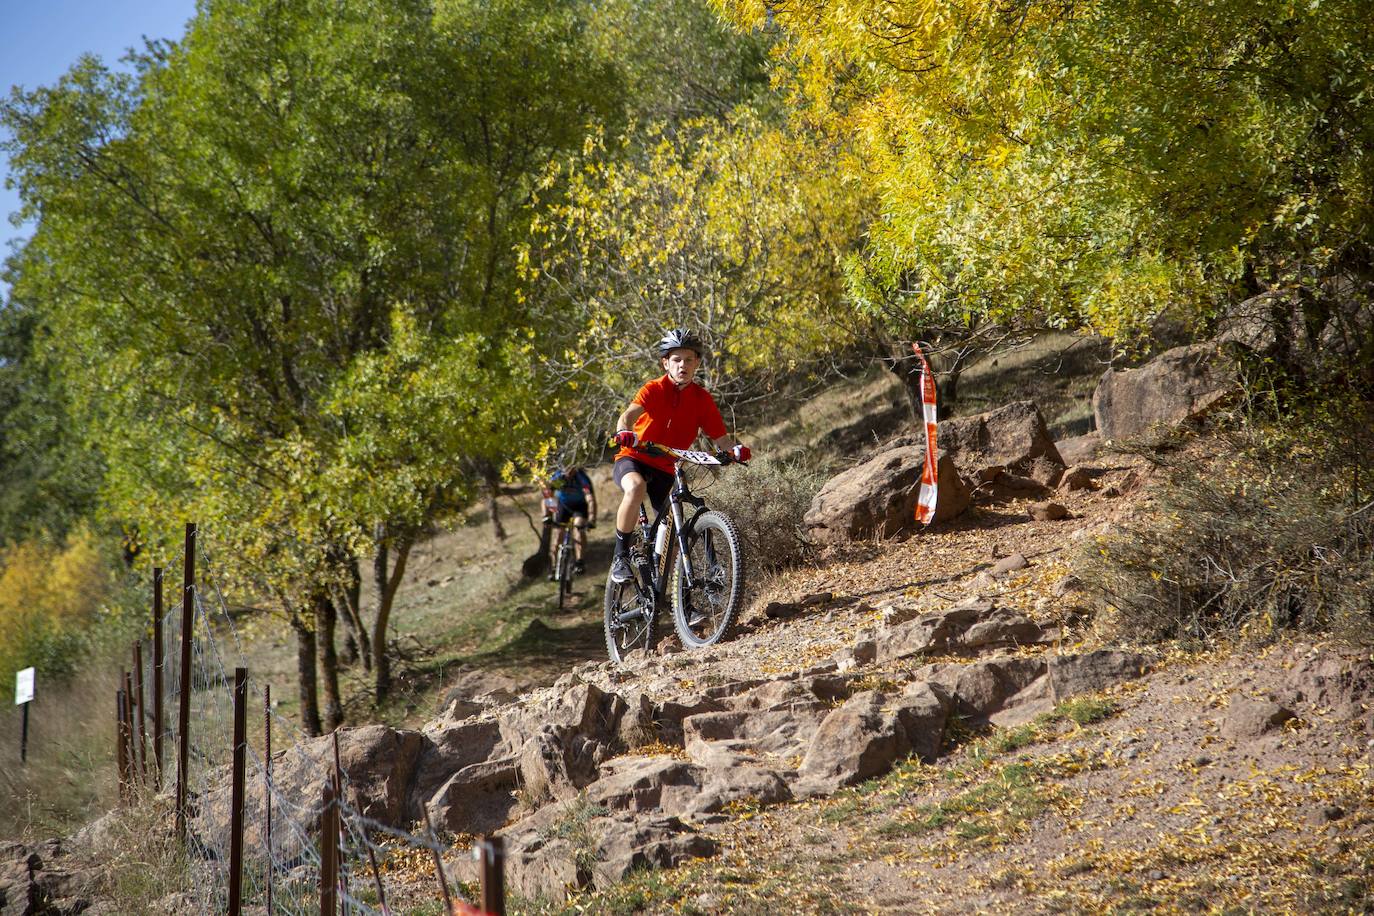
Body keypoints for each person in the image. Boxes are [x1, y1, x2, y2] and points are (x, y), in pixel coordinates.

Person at [609, 328, 751, 583]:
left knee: (674, 530)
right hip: (634, 458)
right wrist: (624, 433)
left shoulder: (701, 399)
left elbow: (721, 439)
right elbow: (627, 417)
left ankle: (679, 602)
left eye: (688, 359)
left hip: (666, 467)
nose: (682, 365)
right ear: (666, 363)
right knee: (636, 487)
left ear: (696, 362)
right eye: (676, 360)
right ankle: (620, 557)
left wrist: (734, 452)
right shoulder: (653, 389)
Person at [542, 464, 597, 576]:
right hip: (564, 507)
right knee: (558, 536)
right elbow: (548, 496)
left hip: (579, 507)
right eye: (565, 469)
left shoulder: (581, 478)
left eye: (570, 469)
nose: (568, 472)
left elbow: (590, 499)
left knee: (579, 528)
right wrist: (546, 516)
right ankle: (553, 568)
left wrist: (592, 519)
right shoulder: (559, 478)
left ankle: (579, 562)